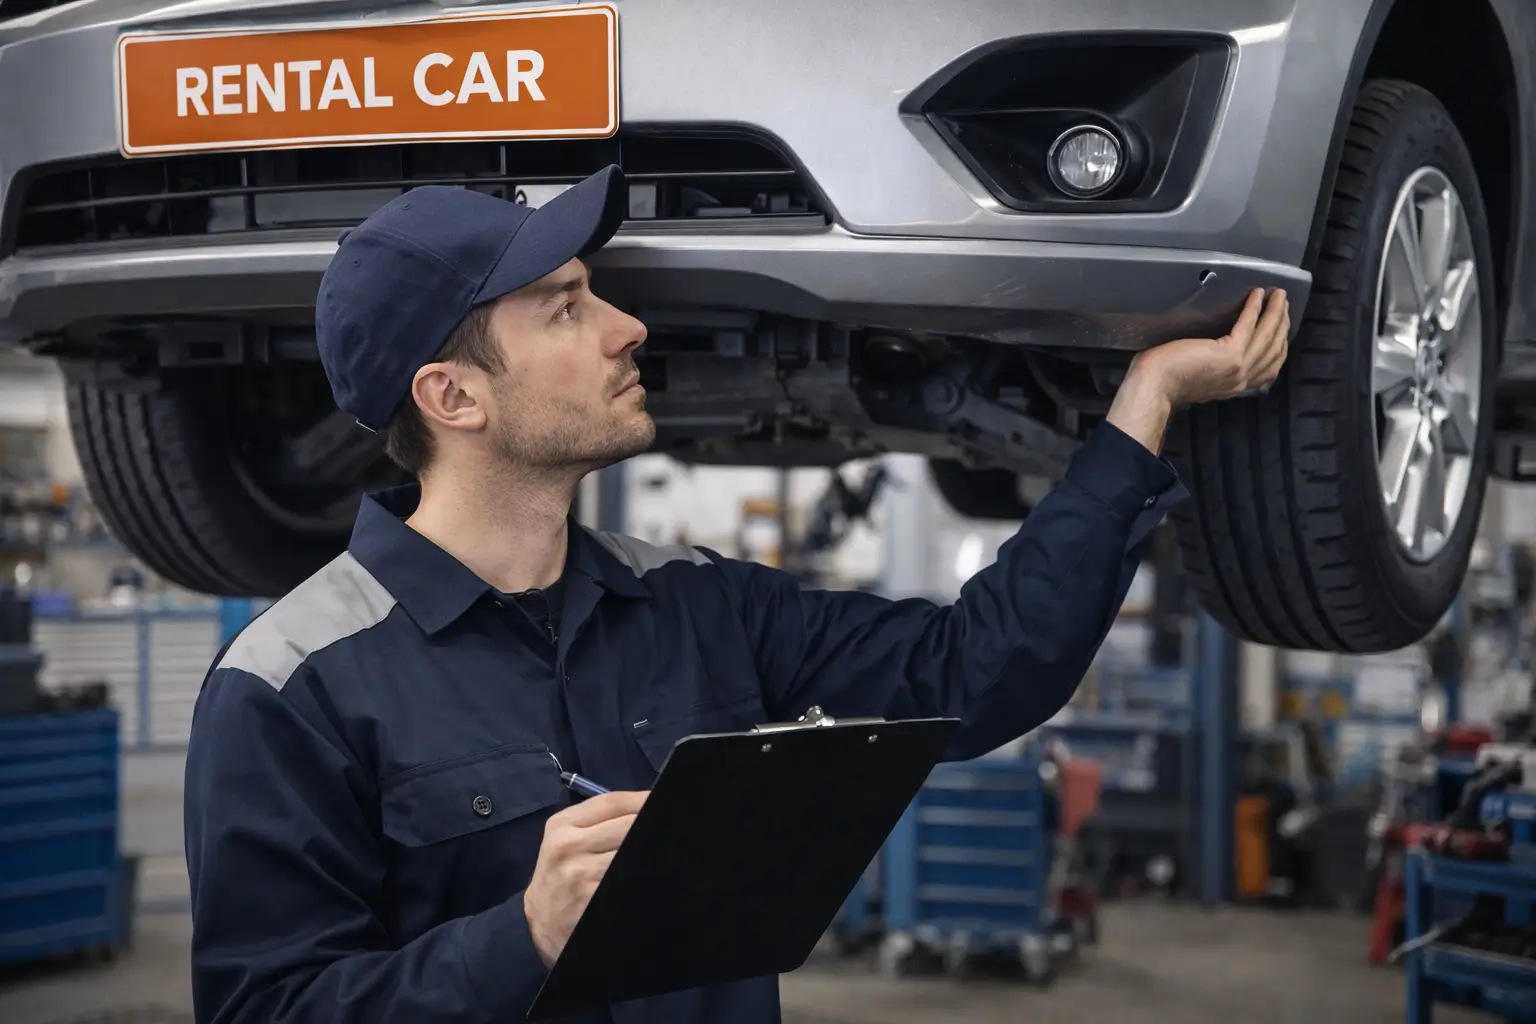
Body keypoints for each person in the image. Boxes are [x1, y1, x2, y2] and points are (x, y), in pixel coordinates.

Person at [183, 164, 1290, 1024]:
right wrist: (518, 937)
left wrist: (1146, 401)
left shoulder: (693, 606)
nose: (628, 327)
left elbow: (976, 669)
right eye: (566, 308)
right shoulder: (289, 686)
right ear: (453, 395)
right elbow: (266, 1006)